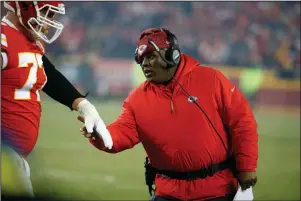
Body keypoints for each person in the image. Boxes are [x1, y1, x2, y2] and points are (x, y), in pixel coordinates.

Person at [78, 28, 258, 201]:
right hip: (167, 193)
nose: (145, 63)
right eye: (141, 59)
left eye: (151, 56)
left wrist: (247, 167)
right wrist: (100, 134)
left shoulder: (212, 80)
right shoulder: (137, 99)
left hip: (218, 192)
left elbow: (242, 123)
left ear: (172, 55)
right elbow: (120, 134)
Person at [1, 1, 113, 197]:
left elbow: (48, 74)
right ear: (24, 6)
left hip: (15, 161)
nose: (49, 21)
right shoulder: (3, 38)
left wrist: (83, 105)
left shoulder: (29, 39)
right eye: (46, 13)